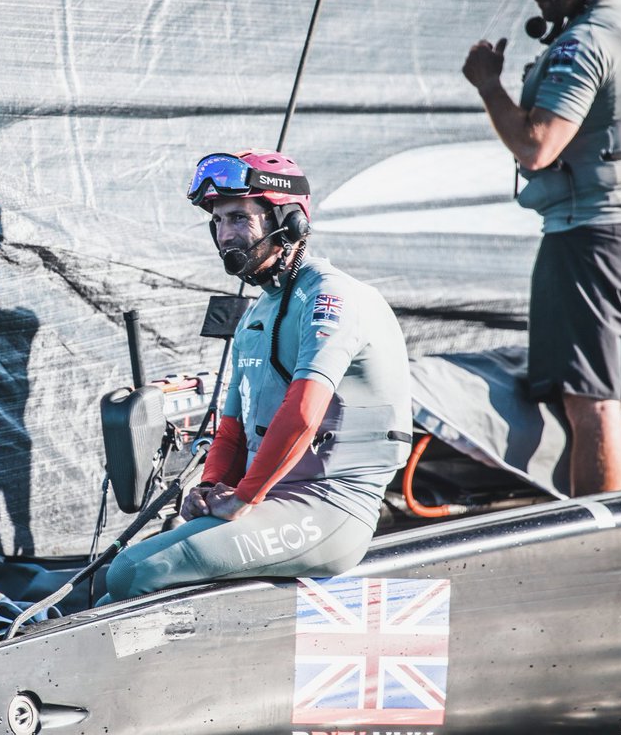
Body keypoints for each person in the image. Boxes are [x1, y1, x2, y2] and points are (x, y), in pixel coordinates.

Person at [102, 149, 412, 602]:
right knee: (108, 585)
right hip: (277, 499)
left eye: (239, 219)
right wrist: (207, 488)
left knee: (131, 572)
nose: (225, 236)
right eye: (218, 222)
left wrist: (245, 496)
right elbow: (232, 429)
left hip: (333, 505)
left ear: (289, 222)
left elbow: (303, 413)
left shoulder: (332, 296)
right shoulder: (257, 314)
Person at [463, 0, 621, 495]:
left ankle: (598, 555)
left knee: (590, 407)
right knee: (609, 405)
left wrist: (489, 85)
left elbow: (536, 147)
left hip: (588, 239)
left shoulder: (586, 42)